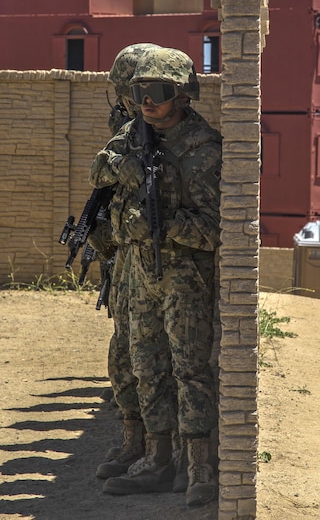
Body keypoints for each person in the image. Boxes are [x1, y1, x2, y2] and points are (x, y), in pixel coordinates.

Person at [90, 47, 222, 507]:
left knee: (191, 370)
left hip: (184, 277)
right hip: (140, 272)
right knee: (146, 366)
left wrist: (165, 220)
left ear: (181, 95)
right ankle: (157, 455)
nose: (147, 101)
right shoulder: (134, 135)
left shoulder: (202, 150)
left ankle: (199, 465)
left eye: (159, 92)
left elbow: (215, 230)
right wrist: (122, 167)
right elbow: (99, 166)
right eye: (141, 91)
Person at [89, 43, 161, 481]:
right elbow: (101, 175)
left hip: (154, 263)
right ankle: (134, 440)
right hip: (123, 255)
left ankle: (154, 448)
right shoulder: (128, 129)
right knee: (122, 357)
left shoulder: (160, 132)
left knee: (146, 360)